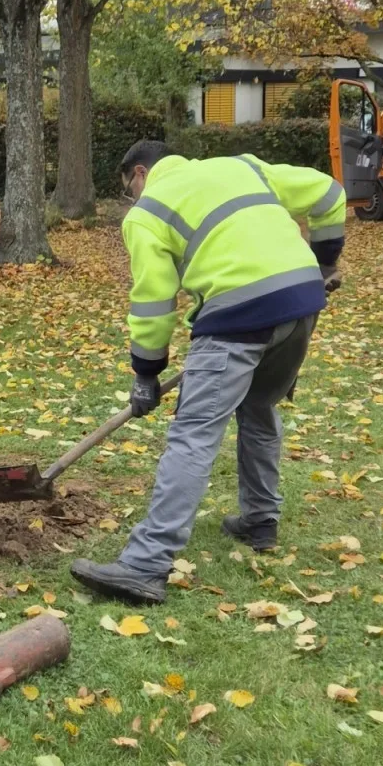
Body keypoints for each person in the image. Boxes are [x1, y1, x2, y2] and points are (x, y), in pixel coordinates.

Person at [70, 140, 346, 605]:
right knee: (258, 407)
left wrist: (146, 373)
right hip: (301, 302)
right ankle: (260, 520)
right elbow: (330, 194)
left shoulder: (147, 212)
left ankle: (145, 565)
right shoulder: (244, 166)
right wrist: (323, 264)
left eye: (128, 189)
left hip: (237, 314)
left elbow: (154, 302)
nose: (131, 199)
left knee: (193, 435)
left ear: (140, 173)